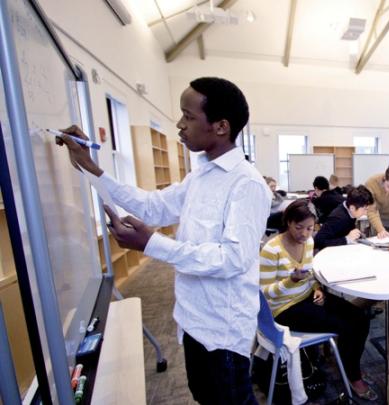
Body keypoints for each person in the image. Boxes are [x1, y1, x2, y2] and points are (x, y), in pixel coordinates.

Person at [57, 77, 270, 404]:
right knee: (204, 396)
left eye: (188, 116)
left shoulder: (247, 184)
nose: (179, 125)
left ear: (221, 127)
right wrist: (89, 165)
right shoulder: (200, 174)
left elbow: (232, 260)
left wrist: (151, 244)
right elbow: (151, 206)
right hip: (192, 321)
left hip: (222, 333)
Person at [259, 200, 377, 400]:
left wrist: (317, 288)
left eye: (310, 228)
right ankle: (353, 375)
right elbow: (264, 293)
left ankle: (350, 367)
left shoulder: (309, 242)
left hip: (307, 297)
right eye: (299, 228)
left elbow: (310, 272)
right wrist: (290, 281)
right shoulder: (272, 249)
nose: (304, 234)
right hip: (284, 309)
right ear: (288, 222)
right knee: (347, 327)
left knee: (360, 317)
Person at [314, 186, 374, 250]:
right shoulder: (338, 219)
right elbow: (318, 241)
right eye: (364, 209)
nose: (365, 213)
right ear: (352, 208)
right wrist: (346, 239)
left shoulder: (350, 208)